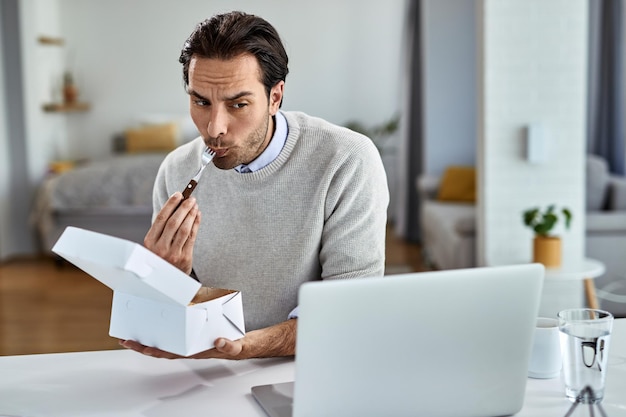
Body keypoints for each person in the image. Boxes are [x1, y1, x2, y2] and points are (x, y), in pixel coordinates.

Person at [120, 11, 389, 360]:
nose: (215, 127)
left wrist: (248, 346)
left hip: (317, 363)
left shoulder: (346, 160)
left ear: (275, 97)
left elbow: (352, 309)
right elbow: (179, 315)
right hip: (214, 368)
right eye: (201, 101)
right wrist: (166, 280)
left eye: (238, 104)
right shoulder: (176, 170)